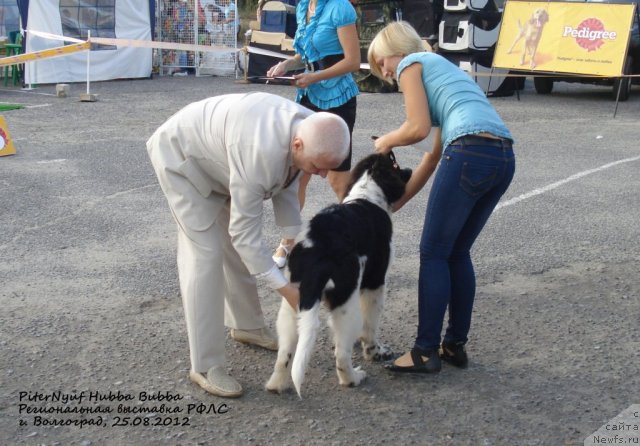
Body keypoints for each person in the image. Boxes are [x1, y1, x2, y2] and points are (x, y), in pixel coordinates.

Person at [146, 92, 350, 397]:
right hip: (182, 161)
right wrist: (286, 289)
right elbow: (245, 235)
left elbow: (288, 186)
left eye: (328, 168)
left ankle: (247, 327)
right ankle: (204, 365)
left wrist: (294, 243)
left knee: (235, 248)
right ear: (298, 145)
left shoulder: (308, 128)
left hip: (221, 162)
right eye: (318, 167)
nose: (322, 176)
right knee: (205, 255)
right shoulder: (259, 152)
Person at [367, 22, 516, 373]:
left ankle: (424, 351)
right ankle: (454, 345)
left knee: (433, 253)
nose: (384, 70)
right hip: (502, 157)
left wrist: (386, 141)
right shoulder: (443, 72)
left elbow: (415, 128)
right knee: (456, 252)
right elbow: (433, 155)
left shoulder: (412, 64)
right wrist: (397, 202)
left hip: (468, 151)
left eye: (381, 60)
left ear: (397, 49)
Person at [264, 0, 360, 268]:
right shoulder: (305, 6)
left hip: (337, 98)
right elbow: (306, 56)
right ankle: (288, 242)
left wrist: (314, 77)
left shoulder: (341, 8)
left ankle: (357, 243)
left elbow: (353, 62)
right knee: (298, 176)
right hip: (307, 96)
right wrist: (288, 64)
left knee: (338, 180)